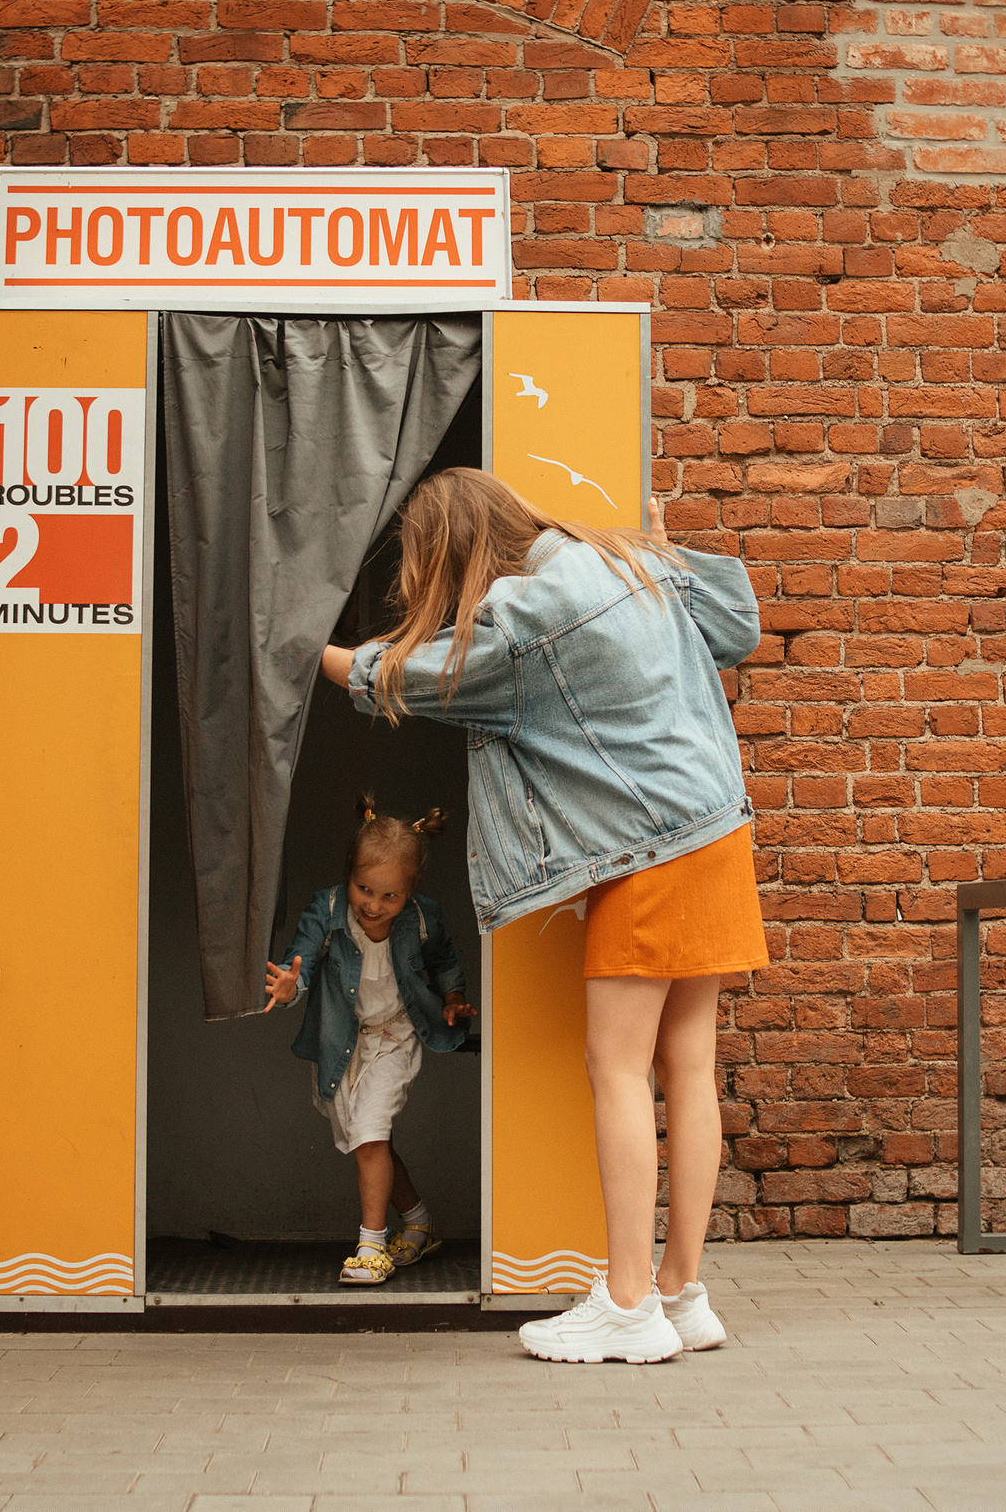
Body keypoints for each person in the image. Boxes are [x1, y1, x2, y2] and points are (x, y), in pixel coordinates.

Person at [318, 467, 764, 1364]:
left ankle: (629, 1304)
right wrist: (662, 545)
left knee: (616, 1069)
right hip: (719, 829)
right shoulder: (624, 562)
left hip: (649, 855)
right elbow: (739, 626)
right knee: (691, 1068)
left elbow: (402, 679)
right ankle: (682, 1292)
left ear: (453, 552)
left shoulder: (524, 619)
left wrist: (295, 644)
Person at [263, 798, 476, 1285]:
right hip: (341, 1042)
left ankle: (371, 1247)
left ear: (410, 892)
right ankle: (418, 1222)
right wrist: (291, 986)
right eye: (364, 889)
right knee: (367, 1141)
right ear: (349, 876)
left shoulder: (422, 917)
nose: (374, 905)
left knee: (370, 1136)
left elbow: (444, 958)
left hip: (395, 1038)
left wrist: (454, 995)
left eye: (389, 897)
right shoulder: (328, 909)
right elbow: (301, 960)